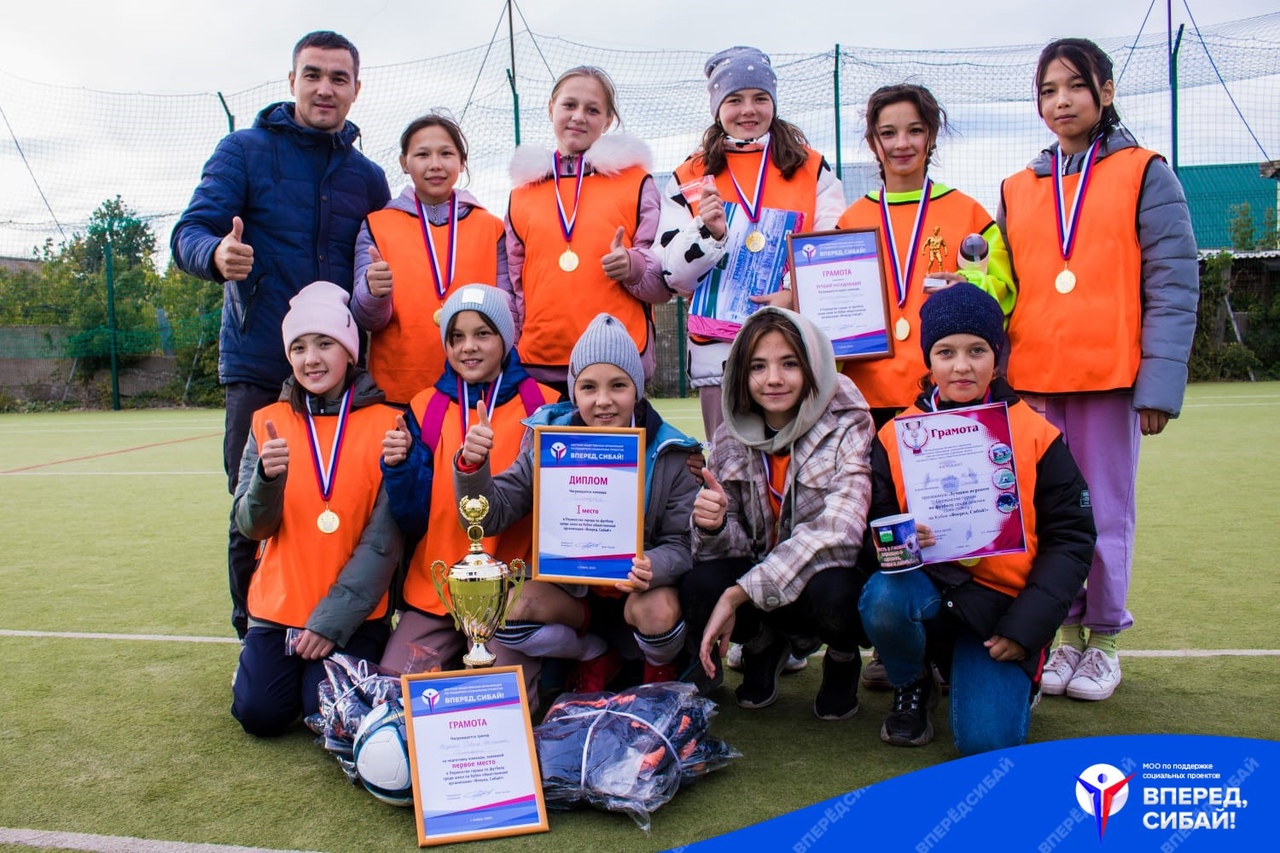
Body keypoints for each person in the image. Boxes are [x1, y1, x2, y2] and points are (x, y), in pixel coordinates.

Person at [171, 31, 391, 640]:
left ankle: (352, 634)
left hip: (342, 376)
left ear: (356, 89)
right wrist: (216, 254)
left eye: (339, 78)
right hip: (261, 360)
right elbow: (188, 232)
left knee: (354, 505)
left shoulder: (368, 177)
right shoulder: (244, 150)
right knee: (254, 505)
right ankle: (256, 639)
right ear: (292, 80)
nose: (325, 88)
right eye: (313, 74)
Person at [998, 38, 1198, 700]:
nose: (1061, 101)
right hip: (1032, 385)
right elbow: (1004, 287)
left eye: (1075, 86)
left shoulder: (1146, 172)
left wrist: (1158, 387)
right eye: (1048, 90)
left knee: (1105, 513)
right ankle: (1061, 636)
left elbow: (1172, 284)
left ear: (1105, 93)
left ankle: (1105, 639)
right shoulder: (1018, 187)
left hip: (1110, 381)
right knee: (1043, 516)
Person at [858, 282, 1095, 755]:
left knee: (986, 742)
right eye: (946, 352)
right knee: (884, 596)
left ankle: (1016, 674)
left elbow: (1071, 537)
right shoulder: (894, 435)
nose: (961, 366)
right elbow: (872, 530)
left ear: (997, 358)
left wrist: (1027, 627)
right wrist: (900, 541)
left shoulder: (1036, 434)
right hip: (927, 594)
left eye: (977, 351)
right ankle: (913, 681)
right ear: (929, 360)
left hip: (1001, 611)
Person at [454, 314, 701, 692]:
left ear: (637, 389)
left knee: (656, 611)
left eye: (618, 385)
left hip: (641, 592)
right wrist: (473, 467)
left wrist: (652, 566)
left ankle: (658, 673)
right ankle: (593, 654)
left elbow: (683, 545)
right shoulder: (549, 442)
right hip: (572, 596)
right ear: (574, 391)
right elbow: (491, 515)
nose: (603, 401)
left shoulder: (672, 451)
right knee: (503, 610)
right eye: (588, 387)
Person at [682, 307, 874, 720]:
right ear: (741, 373)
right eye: (758, 366)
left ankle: (842, 655)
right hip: (762, 575)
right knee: (699, 585)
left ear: (812, 366)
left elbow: (841, 533)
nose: (773, 379)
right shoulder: (730, 433)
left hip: (820, 579)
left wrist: (739, 593)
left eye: (789, 363)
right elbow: (732, 547)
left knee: (837, 591)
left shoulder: (849, 423)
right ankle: (763, 643)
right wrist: (713, 525)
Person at [230, 281, 402, 736]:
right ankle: (258, 664)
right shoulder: (267, 422)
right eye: (299, 347)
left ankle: (318, 665)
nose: (311, 359)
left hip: (353, 614)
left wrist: (330, 624)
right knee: (259, 714)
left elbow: (383, 544)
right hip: (279, 610)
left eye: (325, 343)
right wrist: (266, 481)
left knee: (326, 712)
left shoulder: (389, 425)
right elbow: (251, 526)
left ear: (350, 351)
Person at [658, 45, 845, 442]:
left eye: (760, 98)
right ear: (717, 107)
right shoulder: (689, 175)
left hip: (794, 349)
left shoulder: (811, 168)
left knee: (799, 462)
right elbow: (671, 274)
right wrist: (709, 233)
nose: (748, 110)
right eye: (734, 99)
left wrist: (794, 293)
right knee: (728, 466)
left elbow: (833, 249)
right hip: (718, 357)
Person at [377, 285, 558, 689]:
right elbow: (412, 515)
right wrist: (399, 467)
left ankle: (559, 667)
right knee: (395, 693)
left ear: (505, 338)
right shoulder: (425, 406)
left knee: (500, 704)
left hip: (510, 593)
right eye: (456, 337)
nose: (468, 347)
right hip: (438, 589)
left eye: (483, 334)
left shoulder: (544, 405)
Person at [837, 84, 1015, 429]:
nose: (902, 143)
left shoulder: (968, 212)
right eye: (888, 133)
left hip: (945, 392)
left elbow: (1005, 293)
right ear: (873, 142)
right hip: (865, 397)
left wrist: (969, 286)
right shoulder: (850, 221)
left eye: (915, 130)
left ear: (931, 136)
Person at [506, 67, 669, 396]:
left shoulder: (636, 182)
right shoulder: (521, 194)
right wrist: (513, 343)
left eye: (592, 110)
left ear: (608, 121)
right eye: (569, 105)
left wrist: (633, 265)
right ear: (551, 108)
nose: (579, 116)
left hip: (617, 356)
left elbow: (664, 279)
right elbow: (513, 284)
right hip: (540, 360)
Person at [352, 113, 509, 404]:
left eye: (446, 154)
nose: (435, 164)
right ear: (404, 163)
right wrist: (373, 293)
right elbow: (367, 319)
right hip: (398, 391)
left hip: (475, 391)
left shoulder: (491, 228)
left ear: (462, 162)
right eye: (422, 154)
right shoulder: (377, 225)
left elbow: (508, 312)